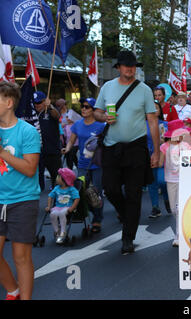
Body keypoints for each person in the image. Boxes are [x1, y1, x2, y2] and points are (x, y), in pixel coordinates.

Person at [94, 50, 160, 255]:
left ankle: (128, 238)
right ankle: (126, 214)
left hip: (136, 147)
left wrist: (156, 151)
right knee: (110, 188)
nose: (130, 68)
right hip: (112, 146)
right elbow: (96, 112)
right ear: (118, 68)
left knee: (134, 194)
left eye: (133, 65)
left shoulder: (144, 90)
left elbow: (152, 121)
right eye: (125, 65)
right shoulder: (107, 87)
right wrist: (104, 117)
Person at [0, 82, 41, 300]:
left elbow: (30, 168)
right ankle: (13, 290)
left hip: (23, 200)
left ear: (9, 103)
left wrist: (3, 153)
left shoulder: (28, 131)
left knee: (21, 257)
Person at [63, 97, 106, 233]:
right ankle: (89, 213)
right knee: (81, 191)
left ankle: (97, 220)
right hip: (82, 164)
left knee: (96, 193)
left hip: (98, 164)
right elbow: (71, 140)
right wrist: (67, 148)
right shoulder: (77, 124)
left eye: (87, 107)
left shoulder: (101, 126)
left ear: (94, 110)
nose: (83, 109)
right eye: (82, 106)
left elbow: (107, 143)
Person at [159, 119, 191, 247]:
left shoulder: (186, 146)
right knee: (173, 209)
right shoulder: (165, 146)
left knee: (180, 208)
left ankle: (178, 235)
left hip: (184, 179)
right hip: (170, 179)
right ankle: (180, 229)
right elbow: (161, 164)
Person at [147, 100, 170, 218]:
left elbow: (165, 140)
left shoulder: (163, 124)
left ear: (160, 110)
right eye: (151, 108)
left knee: (162, 181)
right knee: (152, 183)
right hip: (148, 157)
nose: (154, 110)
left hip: (161, 156)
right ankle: (155, 207)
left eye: (156, 108)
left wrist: (162, 139)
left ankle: (167, 198)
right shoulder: (143, 124)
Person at [34, 91, 62, 191]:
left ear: (44, 101)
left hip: (52, 150)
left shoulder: (51, 111)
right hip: (37, 151)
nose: (37, 105)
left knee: (58, 177)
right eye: (35, 103)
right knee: (38, 176)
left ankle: (60, 202)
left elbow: (57, 116)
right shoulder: (32, 115)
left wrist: (49, 106)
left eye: (39, 102)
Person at [45, 168, 80, 244]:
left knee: (62, 213)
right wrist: (49, 206)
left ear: (65, 179)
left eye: (59, 176)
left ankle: (63, 231)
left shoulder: (71, 189)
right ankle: (56, 230)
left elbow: (77, 198)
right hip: (58, 207)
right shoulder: (56, 188)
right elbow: (50, 196)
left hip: (67, 207)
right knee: (52, 214)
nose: (57, 178)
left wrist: (72, 208)